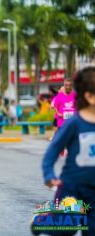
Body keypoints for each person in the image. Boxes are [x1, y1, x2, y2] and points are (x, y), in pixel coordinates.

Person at [39, 66, 95, 236]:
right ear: (90, 97)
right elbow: (53, 150)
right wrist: (49, 174)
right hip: (72, 188)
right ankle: (42, 221)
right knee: (66, 229)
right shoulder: (74, 124)